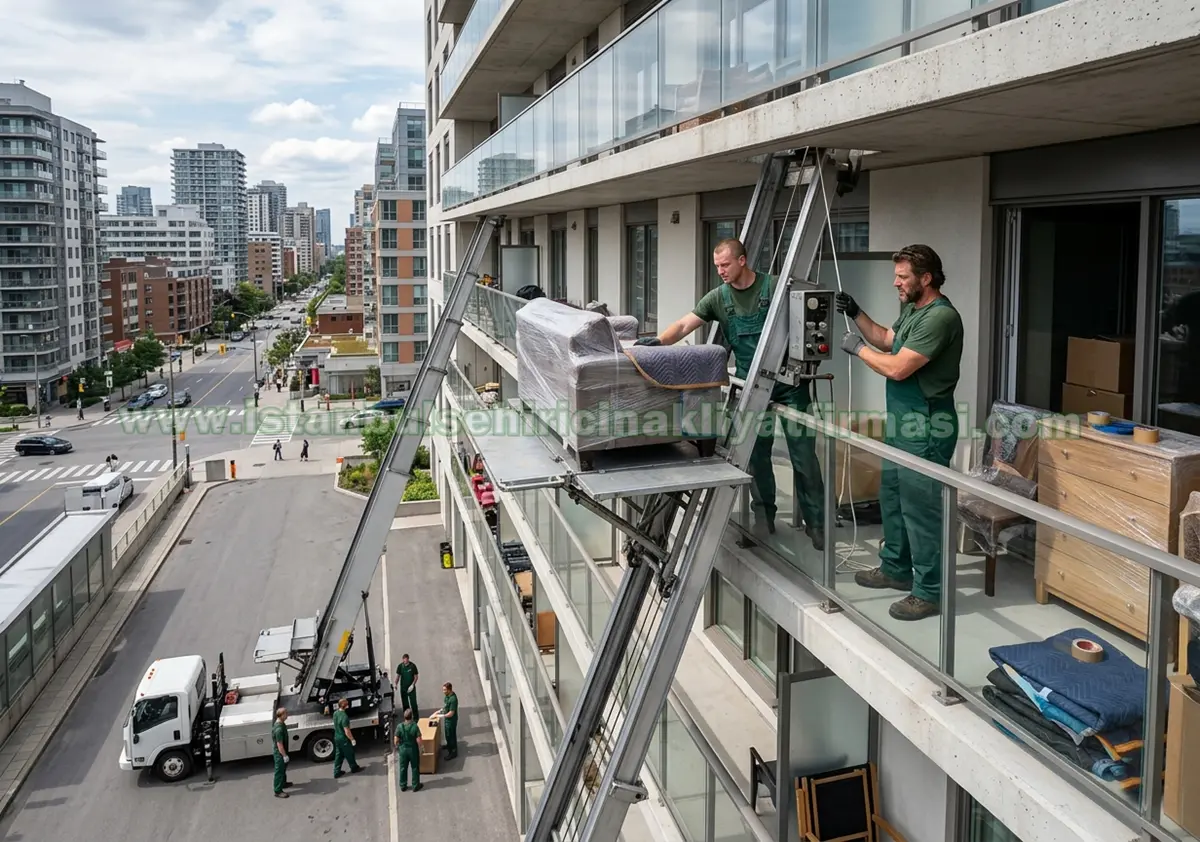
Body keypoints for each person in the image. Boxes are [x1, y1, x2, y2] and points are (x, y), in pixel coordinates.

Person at [638, 238, 825, 548]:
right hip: (755, 387)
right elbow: (686, 323)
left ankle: (816, 524)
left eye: (725, 265)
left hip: (792, 386)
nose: (721, 271)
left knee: (804, 457)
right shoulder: (718, 299)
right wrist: (659, 342)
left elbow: (811, 308)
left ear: (743, 260)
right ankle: (763, 523)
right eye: (716, 266)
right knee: (756, 457)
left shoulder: (776, 287)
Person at [836, 244, 963, 622]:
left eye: (902, 277)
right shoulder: (913, 309)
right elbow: (887, 339)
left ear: (926, 278)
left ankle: (928, 591)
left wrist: (857, 351)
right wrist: (856, 314)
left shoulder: (941, 318)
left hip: (926, 426)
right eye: (896, 276)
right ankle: (895, 568)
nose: (896, 283)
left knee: (920, 511)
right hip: (902, 424)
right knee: (891, 498)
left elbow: (897, 368)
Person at [394, 708, 424, 792]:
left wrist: (397, 746)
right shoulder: (414, 726)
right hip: (412, 750)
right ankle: (415, 785)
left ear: (404, 717)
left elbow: (396, 739)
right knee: (415, 767)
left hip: (403, 750)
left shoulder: (400, 726)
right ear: (412, 717)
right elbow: (418, 739)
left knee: (403, 767)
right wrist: (421, 748)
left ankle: (403, 785)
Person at [332, 698, 362, 778]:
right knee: (349, 753)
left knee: (339, 755)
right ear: (344, 706)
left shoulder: (335, 713)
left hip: (337, 737)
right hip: (343, 739)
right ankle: (354, 767)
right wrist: (352, 739)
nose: (348, 705)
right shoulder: (344, 717)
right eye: (347, 704)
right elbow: (347, 730)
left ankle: (336, 771)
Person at [435, 682, 459, 760]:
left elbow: (451, 713)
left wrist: (442, 716)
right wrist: (439, 711)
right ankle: (449, 745)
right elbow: (446, 707)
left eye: (445, 690)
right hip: (447, 720)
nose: (443, 691)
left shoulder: (453, 699)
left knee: (451, 735)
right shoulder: (447, 696)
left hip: (451, 720)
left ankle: (453, 752)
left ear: (449, 690)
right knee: (447, 734)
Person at [273, 707, 292, 798]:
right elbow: (280, 744)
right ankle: (278, 790)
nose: (287, 715)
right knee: (279, 771)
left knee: (283, 769)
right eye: (286, 713)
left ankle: (283, 783)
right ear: (282, 715)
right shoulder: (279, 729)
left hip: (282, 752)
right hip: (280, 754)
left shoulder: (281, 723)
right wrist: (284, 755)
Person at [395, 654, 419, 719]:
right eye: (404, 660)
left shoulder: (412, 666)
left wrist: (413, 685)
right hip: (403, 688)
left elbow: (416, 677)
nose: (405, 661)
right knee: (405, 704)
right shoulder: (400, 666)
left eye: (406, 660)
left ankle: (416, 717)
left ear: (408, 659)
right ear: (402, 659)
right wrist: (395, 684)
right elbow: (398, 676)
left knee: (413, 703)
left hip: (411, 688)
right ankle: (407, 718)